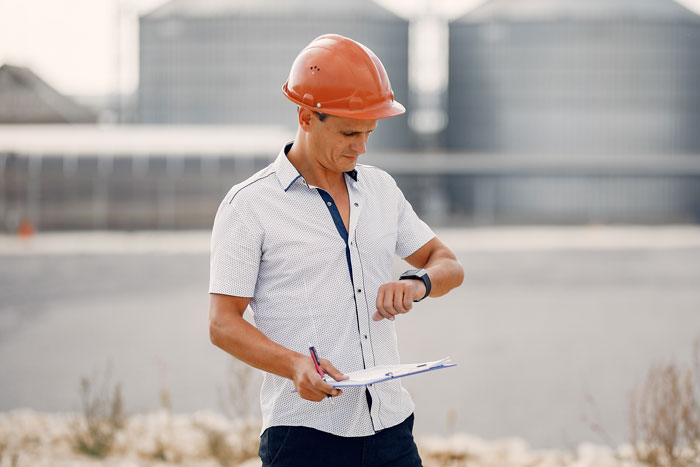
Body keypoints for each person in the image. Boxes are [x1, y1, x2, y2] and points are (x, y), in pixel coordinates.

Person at [209, 34, 464, 467]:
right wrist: (293, 366)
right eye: (349, 132)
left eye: (369, 133)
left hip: (391, 428)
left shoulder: (381, 189)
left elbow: (449, 265)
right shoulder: (249, 205)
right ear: (307, 116)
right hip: (305, 435)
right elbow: (222, 324)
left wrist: (416, 284)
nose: (361, 146)